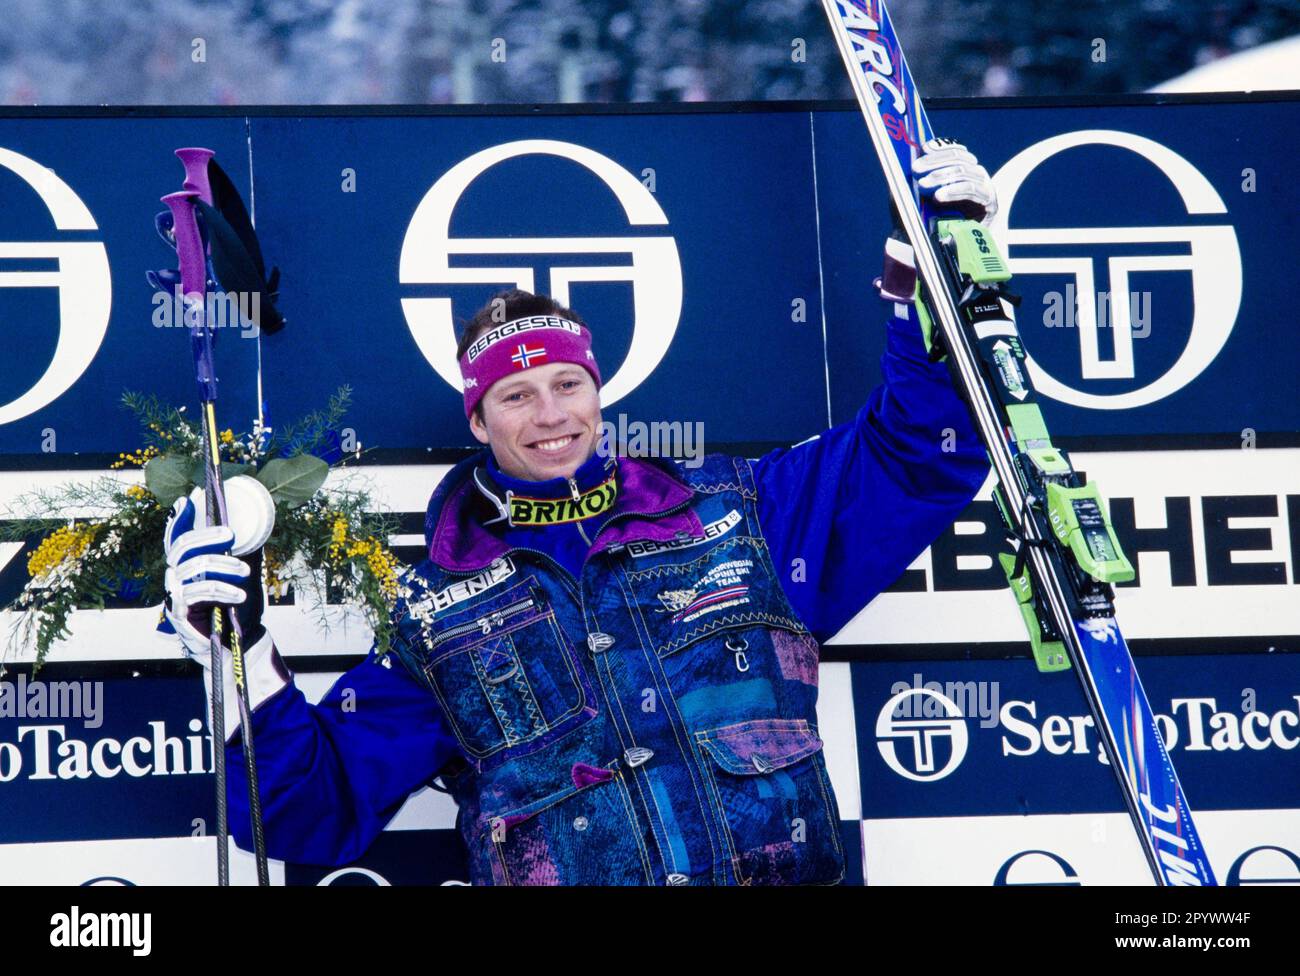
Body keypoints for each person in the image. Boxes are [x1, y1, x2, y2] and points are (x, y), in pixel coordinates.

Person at [162, 139, 997, 885]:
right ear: (478, 422)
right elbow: (317, 810)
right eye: (516, 396)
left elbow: (921, 454)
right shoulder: (434, 614)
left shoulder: (743, 514)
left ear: (599, 393)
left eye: (567, 385)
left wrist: (932, 281)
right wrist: (241, 663)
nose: (551, 414)